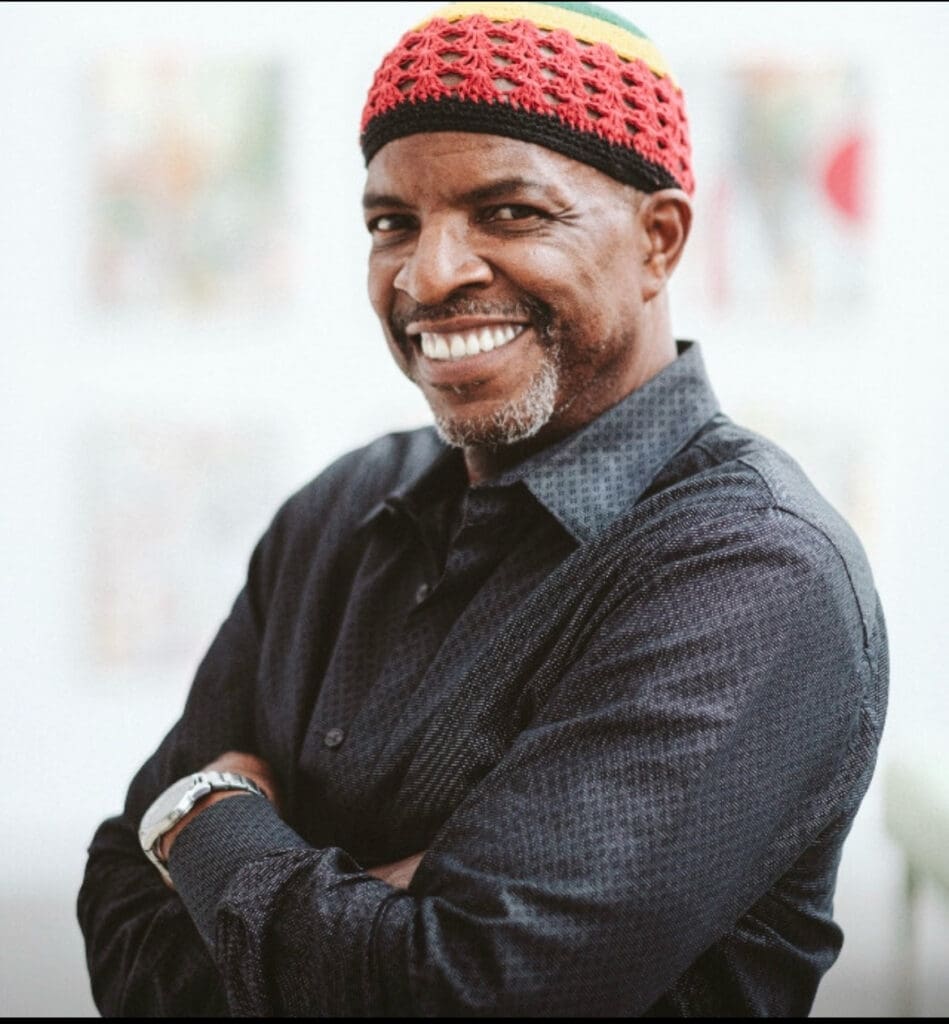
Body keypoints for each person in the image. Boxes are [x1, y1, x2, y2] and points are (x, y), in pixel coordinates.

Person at [77, 2, 888, 1016]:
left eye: (508, 213)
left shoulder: (753, 569)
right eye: (392, 224)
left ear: (659, 240)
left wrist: (205, 823)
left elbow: (469, 989)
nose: (429, 274)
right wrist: (366, 920)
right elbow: (116, 903)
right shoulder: (335, 513)